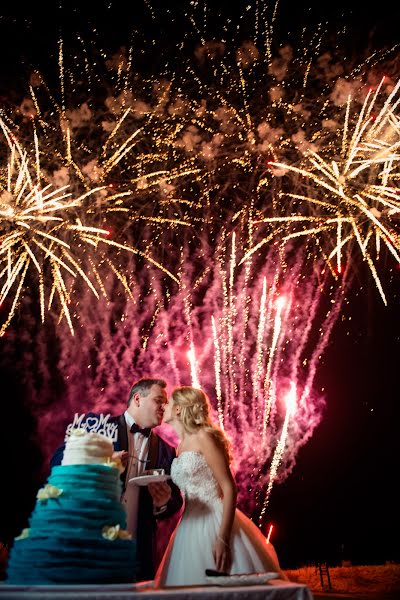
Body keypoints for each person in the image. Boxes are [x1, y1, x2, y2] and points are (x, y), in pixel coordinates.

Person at [50, 378, 183, 582]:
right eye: (159, 400)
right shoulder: (99, 427)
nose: (164, 407)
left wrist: (163, 502)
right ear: (138, 399)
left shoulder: (167, 450)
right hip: (94, 539)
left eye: (165, 403)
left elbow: (176, 501)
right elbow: (58, 461)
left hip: (139, 548)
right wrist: (102, 460)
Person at [155, 386, 287, 587]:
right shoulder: (180, 446)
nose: (164, 406)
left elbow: (229, 487)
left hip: (214, 521)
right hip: (188, 525)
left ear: (179, 409)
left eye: (169, 403)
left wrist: (222, 538)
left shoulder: (204, 438)